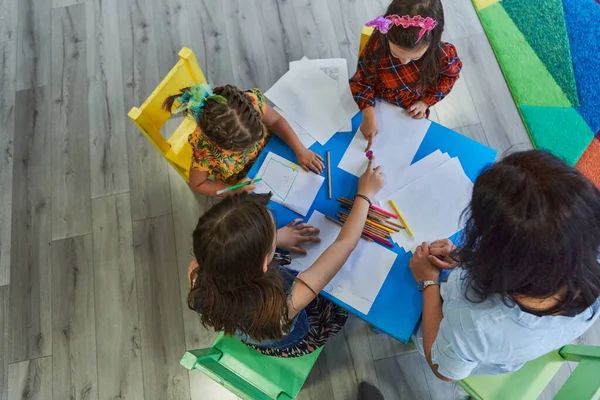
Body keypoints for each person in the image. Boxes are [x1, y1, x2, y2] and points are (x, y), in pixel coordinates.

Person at [408, 150, 600, 381]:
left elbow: (443, 370)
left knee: (401, 317)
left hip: (456, 340)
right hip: (511, 346)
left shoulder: (475, 324)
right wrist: (466, 258)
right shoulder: (586, 251)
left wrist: (428, 282)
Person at [187, 158, 385, 356]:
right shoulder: (286, 302)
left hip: (247, 328)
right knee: (336, 303)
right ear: (264, 262)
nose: (277, 230)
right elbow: (345, 244)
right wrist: (365, 195)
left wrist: (273, 241)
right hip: (290, 336)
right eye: (274, 232)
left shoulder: (197, 269)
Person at [163, 84, 324, 196]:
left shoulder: (250, 102)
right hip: (241, 181)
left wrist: (300, 149)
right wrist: (232, 190)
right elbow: (198, 185)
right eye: (242, 148)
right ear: (216, 143)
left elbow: (275, 121)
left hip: (270, 154)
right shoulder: (203, 148)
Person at [350, 0, 462, 149]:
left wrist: (425, 102)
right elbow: (361, 80)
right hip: (376, 99)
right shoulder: (378, 43)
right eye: (395, 53)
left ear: (432, 42)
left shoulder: (443, 56)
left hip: (411, 108)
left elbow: (450, 77)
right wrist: (368, 114)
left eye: (415, 57)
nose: (403, 61)